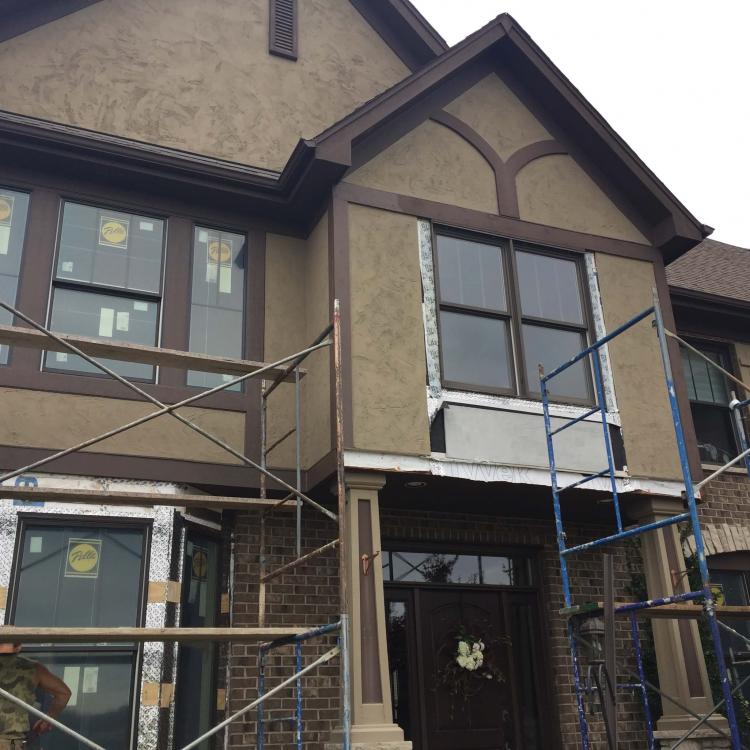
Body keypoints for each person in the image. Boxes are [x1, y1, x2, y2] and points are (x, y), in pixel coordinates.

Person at [0, 643, 71, 749]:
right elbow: (64, 693)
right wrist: (48, 719)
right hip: (11, 743)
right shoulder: (33, 668)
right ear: (18, 646)